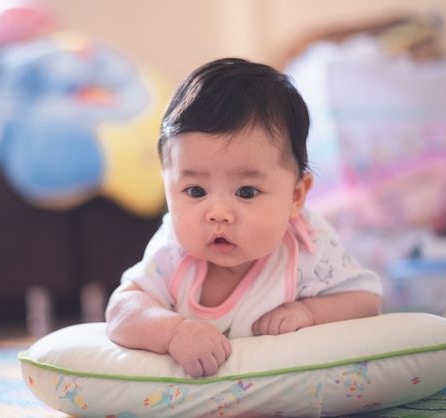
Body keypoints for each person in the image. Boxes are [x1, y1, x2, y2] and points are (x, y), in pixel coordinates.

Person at [105, 57, 382, 378]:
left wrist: (308, 312)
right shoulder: (173, 250)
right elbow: (122, 310)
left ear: (296, 197)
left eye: (246, 192)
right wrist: (173, 331)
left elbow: (366, 301)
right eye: (195, 191)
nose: (218, 213)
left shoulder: (306, 245)